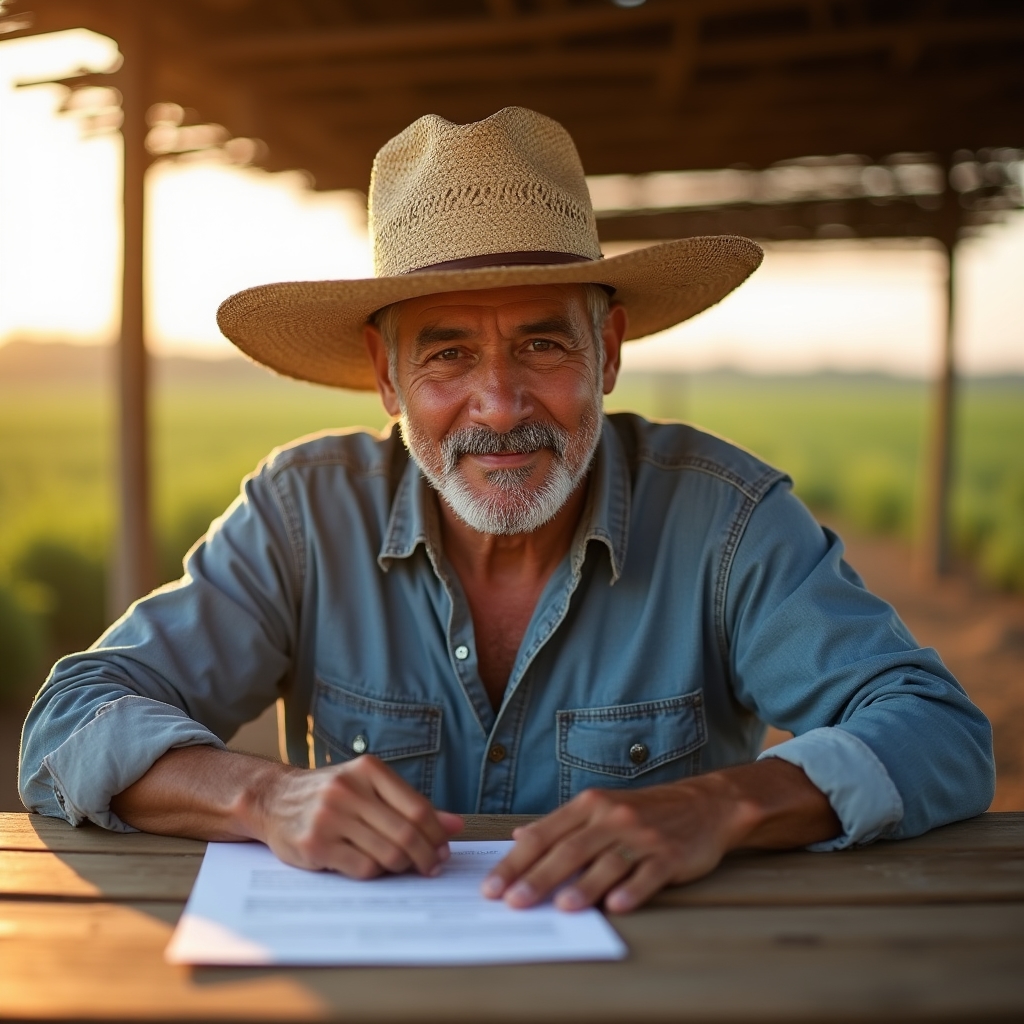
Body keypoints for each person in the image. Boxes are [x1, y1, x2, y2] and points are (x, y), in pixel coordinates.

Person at [20, 107, 993, 915]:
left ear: (606, 352)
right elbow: (68, 721)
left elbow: (938, 730)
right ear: (386, 376)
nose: (498, 405)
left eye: (541, 346)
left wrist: (725, 803)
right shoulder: (302, 514)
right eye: (446, 354)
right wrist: (264, 794)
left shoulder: (724, 519)